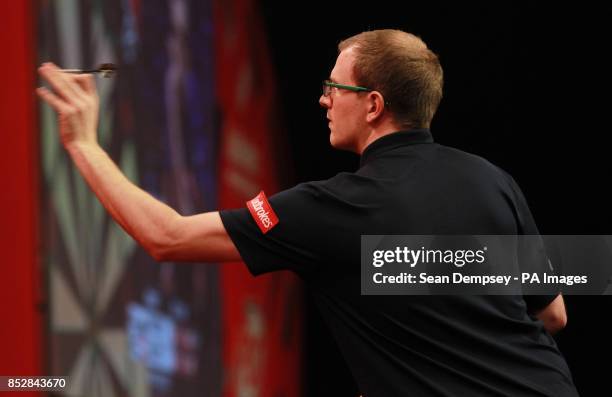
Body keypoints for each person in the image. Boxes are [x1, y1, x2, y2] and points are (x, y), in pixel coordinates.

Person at [38, 29, 578, 396]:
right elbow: (552, 314)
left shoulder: (327, 207)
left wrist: (83, 143)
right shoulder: (493, 180)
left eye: (333, 87)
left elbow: (168, 236)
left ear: (372, 104)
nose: (323, 99)